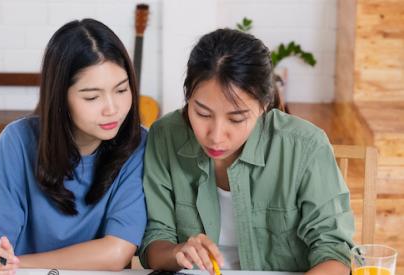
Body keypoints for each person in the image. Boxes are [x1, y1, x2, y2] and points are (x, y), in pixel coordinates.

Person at [140, 28, 354, 275]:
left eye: (237, 118)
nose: (216, 136)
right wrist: (178, 252)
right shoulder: (165, 136)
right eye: (202, 113)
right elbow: (156, 240)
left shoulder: (305, 146)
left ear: (263, 105)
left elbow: (334, 253)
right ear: (188, 98)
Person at [0, 19, 147, 274]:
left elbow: (117, 253)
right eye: (92, 97)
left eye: (121, 90)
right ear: (59, 96)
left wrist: (19, 265)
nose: (112, 109)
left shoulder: (137, 144)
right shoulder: (17, 142)